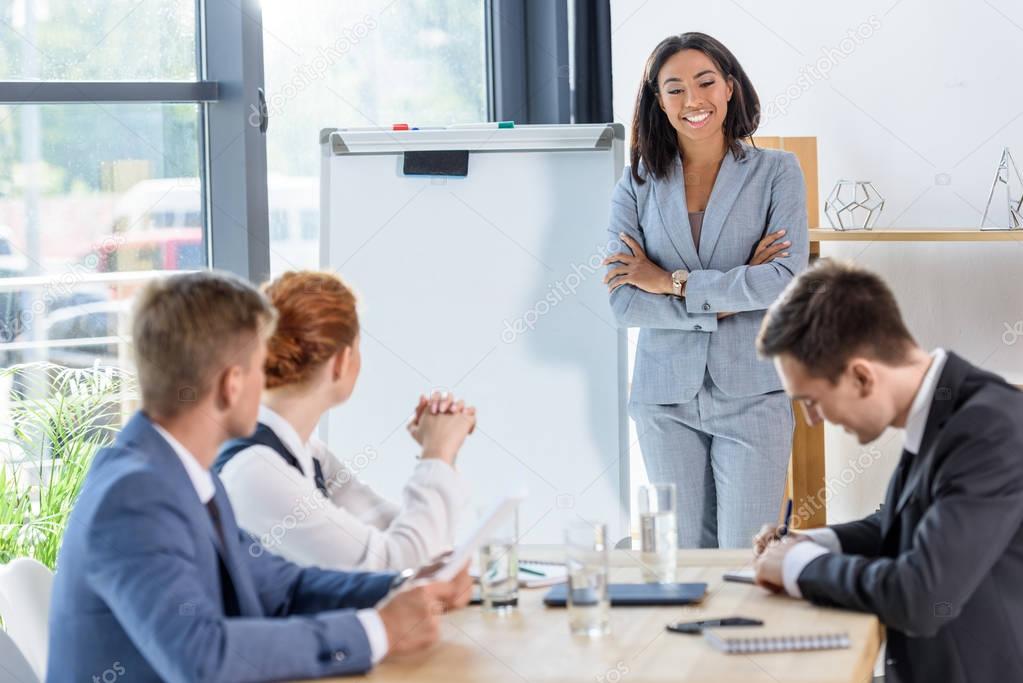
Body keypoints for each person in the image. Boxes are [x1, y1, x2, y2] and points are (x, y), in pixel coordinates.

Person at [47, 271, 472, 683]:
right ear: (232, 384)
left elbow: (285, 587)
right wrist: (376, 631)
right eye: (259, 367)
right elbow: (202, 657)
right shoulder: (134, 496)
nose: (270, 381)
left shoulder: (179, 475)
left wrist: (406, 584)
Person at [752, 260, 1023, 683]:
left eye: (811, 401)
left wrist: (799, 566)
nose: (811, 419)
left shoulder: (989, 430)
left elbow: (921, 595)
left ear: (861, 376)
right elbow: (899, 524)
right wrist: (812, 541)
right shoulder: (942, 410)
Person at [603, 32, 809, 548]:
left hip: (753, 395)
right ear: (658, 101)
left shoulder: (776, 172)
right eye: (674, 89)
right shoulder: (636, 184)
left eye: (705, 82)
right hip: (662, 399)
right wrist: (730, 293)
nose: (693, 100)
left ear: (730, 87)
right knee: (683, 561)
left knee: (745, 557)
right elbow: (624, 301)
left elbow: (784, 281)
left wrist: (670, 282)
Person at [214, 270, 475, 571]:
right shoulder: (256, 470)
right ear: (341, 362)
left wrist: (443, 452)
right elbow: (396, 563)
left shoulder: (308, 454)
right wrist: (437, 454)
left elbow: (414, 542)